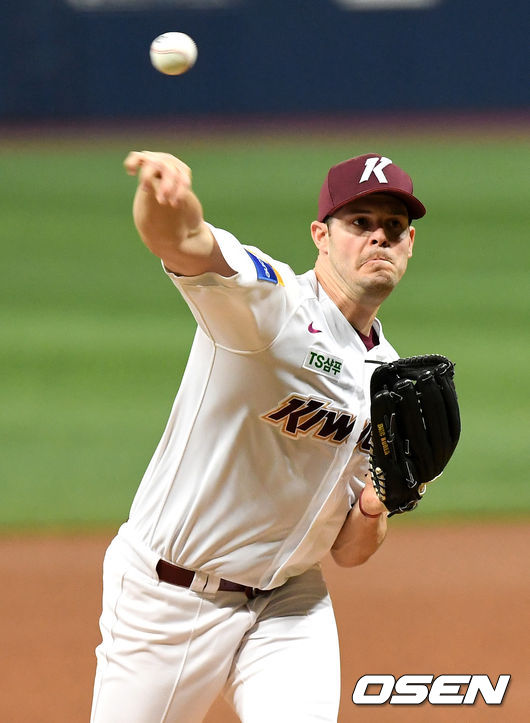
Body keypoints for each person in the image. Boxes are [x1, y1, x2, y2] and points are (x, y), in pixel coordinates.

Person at [90, 150, 426, 723]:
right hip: (169, 597)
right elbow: (184, 240)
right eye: (360, 222)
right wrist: (162, 195)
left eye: (394, 227)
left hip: (288, 602)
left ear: (409, 244)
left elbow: (349, 552)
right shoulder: (273, 304)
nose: (379, 238)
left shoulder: (390, 382)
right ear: (321, 236)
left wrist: (379, 500)